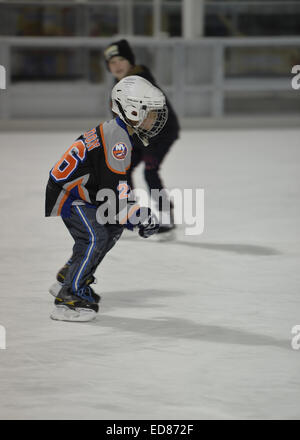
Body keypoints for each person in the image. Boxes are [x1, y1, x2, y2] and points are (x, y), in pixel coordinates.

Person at [45, 75, 168, 322]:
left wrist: (132, 216)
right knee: (95, 236)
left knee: (111, 228)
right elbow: (112, 199)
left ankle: (70, 275)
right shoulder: (117, 141)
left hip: (86, 192)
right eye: (150, 112)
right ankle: (68, 297)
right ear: (132, 110)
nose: (155, 117)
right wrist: (138, 219)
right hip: (70, 194)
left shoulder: (119, 133)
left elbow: (114, 193)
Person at [104, 39, 180, 237]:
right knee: (124, 170)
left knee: (150, 172)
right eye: (112, 62)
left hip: (161, 134)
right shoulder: (119, 85)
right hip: (140, 136)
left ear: (130, 61)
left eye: (121, 60)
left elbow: (152, 117)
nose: (117, 65)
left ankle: (166, 217)